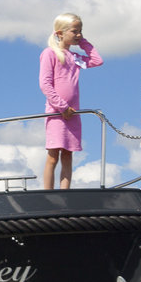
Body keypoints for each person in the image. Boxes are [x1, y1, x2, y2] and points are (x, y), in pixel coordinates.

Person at [38, 13, 102, 189]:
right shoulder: (50, 53)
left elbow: (97, 60)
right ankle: (48, 194)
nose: (79, 34)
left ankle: (64, 193)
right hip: (57, 113)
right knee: (53, 155)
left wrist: (83, 42)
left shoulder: (75, 57)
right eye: (75, 31)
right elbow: (45, 84)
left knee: (68, 155)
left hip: (73, 114)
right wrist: (62, 106)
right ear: (60, 33)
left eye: (80, 31)